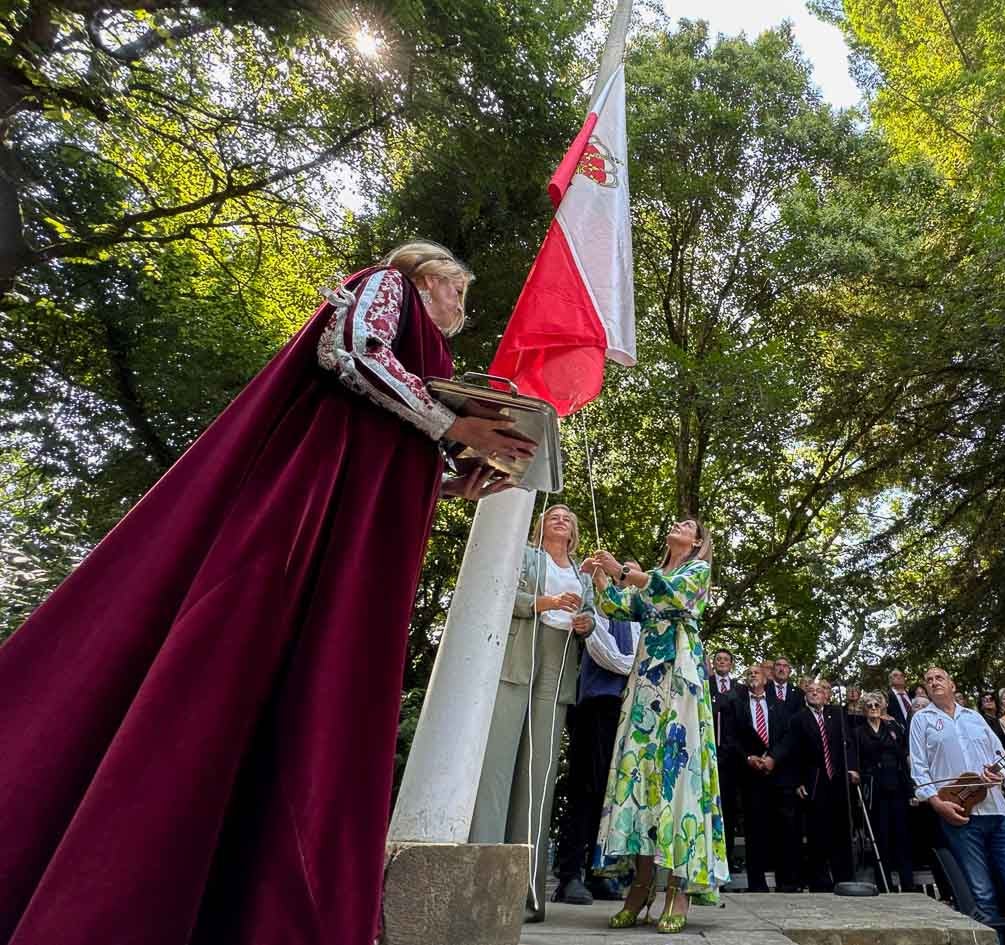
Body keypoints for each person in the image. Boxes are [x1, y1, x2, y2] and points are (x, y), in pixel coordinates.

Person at [0, 242, 534, 945]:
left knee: (300, 710)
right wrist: (449, 423)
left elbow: (372, 461)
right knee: (219, 678)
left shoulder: (423, 354)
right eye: (457, 294)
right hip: (291, 528)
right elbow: (352, 350)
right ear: (429, 275)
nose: (460, 312)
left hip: (341, 550)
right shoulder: (388, 286)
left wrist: (452, 479)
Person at [589, 521, 728, 934]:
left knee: (678, 774)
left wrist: (622, 573)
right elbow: (620, 607)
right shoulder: (650, 575)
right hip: (645, 681)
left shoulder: (696, 572)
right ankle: (642, 883)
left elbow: (674, 597)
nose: (678, 525)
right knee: (642, 773)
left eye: (688, 525)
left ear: (697, 542)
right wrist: (600, 576)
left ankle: (678, 887)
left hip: (680, 681)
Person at [469, 503, 595, 922]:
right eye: (553, 514)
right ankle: (481, 887)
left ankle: (527, 894)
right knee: (498, 768)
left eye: (568, 518)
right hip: (519, 658)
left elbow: (590, 616)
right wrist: (546, 602)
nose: (561, 518)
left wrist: (585, 623)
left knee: (539, 779)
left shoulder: (583, 572)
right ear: (541, 524)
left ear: (575, 532)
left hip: (558, 668)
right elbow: (501, 593)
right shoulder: (524, 555)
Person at [911, 667, 1005, 945]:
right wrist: (937, 804)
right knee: (982, 897)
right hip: (959, 814)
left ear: (952, 683)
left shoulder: (975, 718)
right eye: (928, 680)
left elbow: (1003, 760)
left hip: (999, 813)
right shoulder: (921, 720)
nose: (934, 682)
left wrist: (1001, 776)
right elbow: (919, 767)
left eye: (939, 677)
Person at [551, 560, 643, 906]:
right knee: (584, 791)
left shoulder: (635, 620)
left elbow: (629, 659)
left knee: (612, 795)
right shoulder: (593, 611)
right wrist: (591, 628)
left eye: (628, 574)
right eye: (617, 573)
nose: (623, 579)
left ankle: (598, 872)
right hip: (594, 708)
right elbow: (608, 657)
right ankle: (569, 875)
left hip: (625, 713)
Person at [763, 679, 860, 892]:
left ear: (827, 695)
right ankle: (820, 881)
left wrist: (853, 768)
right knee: (818, 833)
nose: (815, 693)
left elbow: (850, 744)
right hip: (814, 781)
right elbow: (792, 750)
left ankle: (845, 877)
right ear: (806, 696)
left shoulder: (837, 714)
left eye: (819, 691)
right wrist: (797, 781)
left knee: (842, 830)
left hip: (839, 780)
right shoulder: (799, 719)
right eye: (811, 691)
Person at [728, 665, 795, 892]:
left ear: (766, 678)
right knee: (755, 829)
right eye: (749, 673)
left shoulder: (780, 705)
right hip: (751, 774)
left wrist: (773, 758)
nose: (752, 675)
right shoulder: (737, 705)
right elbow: (732, 737)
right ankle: (757, 883)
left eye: (756, 672)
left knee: (783, 828)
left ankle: (786, 882)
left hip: (777, 773)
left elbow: (788, 736)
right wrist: (748, 757)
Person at [855, 691, 916, 892]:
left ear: (882, 708)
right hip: (875, 789)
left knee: (903, 836)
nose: (873, 708)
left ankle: (908, 884)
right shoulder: (858, 732)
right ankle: (884, 883)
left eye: (876, 705)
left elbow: (903, 760)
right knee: (881, 837)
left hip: (897, 785)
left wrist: (910, 791)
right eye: (869, 705)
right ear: (864, 709)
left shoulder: (893, 729)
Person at [709, 648, 746, 873]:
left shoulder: (740, 689)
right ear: (713, 664)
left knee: (730, 811)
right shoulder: (706, 684)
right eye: (718, 659)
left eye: (726, 660)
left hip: (733, 758)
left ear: (731, 664)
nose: (722, 662)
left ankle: (729, 857)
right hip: (711, 753)